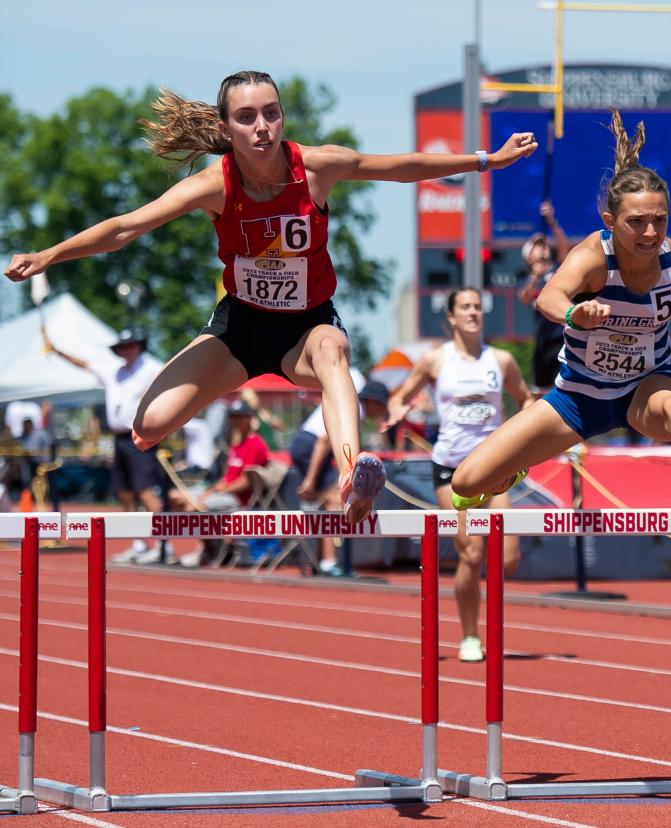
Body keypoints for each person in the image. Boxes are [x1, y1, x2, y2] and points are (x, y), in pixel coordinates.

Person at [4, 70, 538, 525]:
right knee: (146, 425)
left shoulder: (318, 167)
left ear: (282, 116)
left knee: (334, 352)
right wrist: (50, 255)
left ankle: (354, 476)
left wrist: (484, 160)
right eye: (246, 117)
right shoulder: (214, 186)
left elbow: (399, 168)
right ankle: (221, 388)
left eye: (271, 113)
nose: (262, 127)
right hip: (239, 331)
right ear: (225, 127)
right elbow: (126, 227)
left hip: (305, 329)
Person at [446, 110, 671, 519]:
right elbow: (549, 296)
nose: (651, 234)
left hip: (646, 388)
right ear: (610, 222)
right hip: (580, 397)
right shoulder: (593, 258)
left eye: (660, 221)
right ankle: (507, 474)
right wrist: (574, 313)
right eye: (637, 223)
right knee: (465, 483)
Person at [386, 288, 533, 661]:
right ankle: (470, 636)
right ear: (451, 316)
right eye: (465, 307)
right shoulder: (436, 360)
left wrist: (528, 432)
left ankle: (483, 614)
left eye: (478, 307)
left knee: (510, 557)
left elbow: (525, 399)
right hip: (451, 467)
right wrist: (398, 410)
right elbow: (399, 396)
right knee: (470, 552)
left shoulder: (501, 361)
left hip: (495, 467)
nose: (473, 313)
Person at [45, 327, 165, 562]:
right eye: (122, 347)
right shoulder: (114, 372)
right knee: (124, 492)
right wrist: (58, 351)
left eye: (129, 345)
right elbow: (85, 364)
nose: (125, 350)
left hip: (141, 436)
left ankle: (164, 544)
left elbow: (170, 386)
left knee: (146, 490)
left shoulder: (152, 369)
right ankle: (139, 543)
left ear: (139, 346)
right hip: (119, 438)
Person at [291, 375, 391, 574]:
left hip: (303, 443)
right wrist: (311, 479)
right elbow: (323, 442)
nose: (382, 413)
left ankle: (320, 560)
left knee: (327, 499)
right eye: (381, 407)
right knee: (333, 500)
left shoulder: (354, 408)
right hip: (309, 445)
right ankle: (329, 562)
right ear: (372, 401)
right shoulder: (353, 411)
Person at [170, 399, 269, 566]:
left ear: (249, 418)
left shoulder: (256, 444)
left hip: (240, 499)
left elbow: (246, 482)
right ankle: (202, 545)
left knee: (194, 506)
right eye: (233, 417)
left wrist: (216, 492)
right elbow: (227, 477)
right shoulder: (237, 445)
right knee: (175, 496)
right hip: (225, 492)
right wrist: (210, 490)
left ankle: (206, 550)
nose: (235, 421)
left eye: (240, 417)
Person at [517, 201, 572, 394]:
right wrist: (535, 277)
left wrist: (551, 222)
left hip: (563, 339)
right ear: (528, 256)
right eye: (537, 247)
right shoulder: (528, 279)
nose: (543, 250)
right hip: (543, 341)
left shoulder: (558, 271)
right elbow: (524, 297)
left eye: (544, 246)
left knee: (564, 388)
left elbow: (564, 247)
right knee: (540, 391)